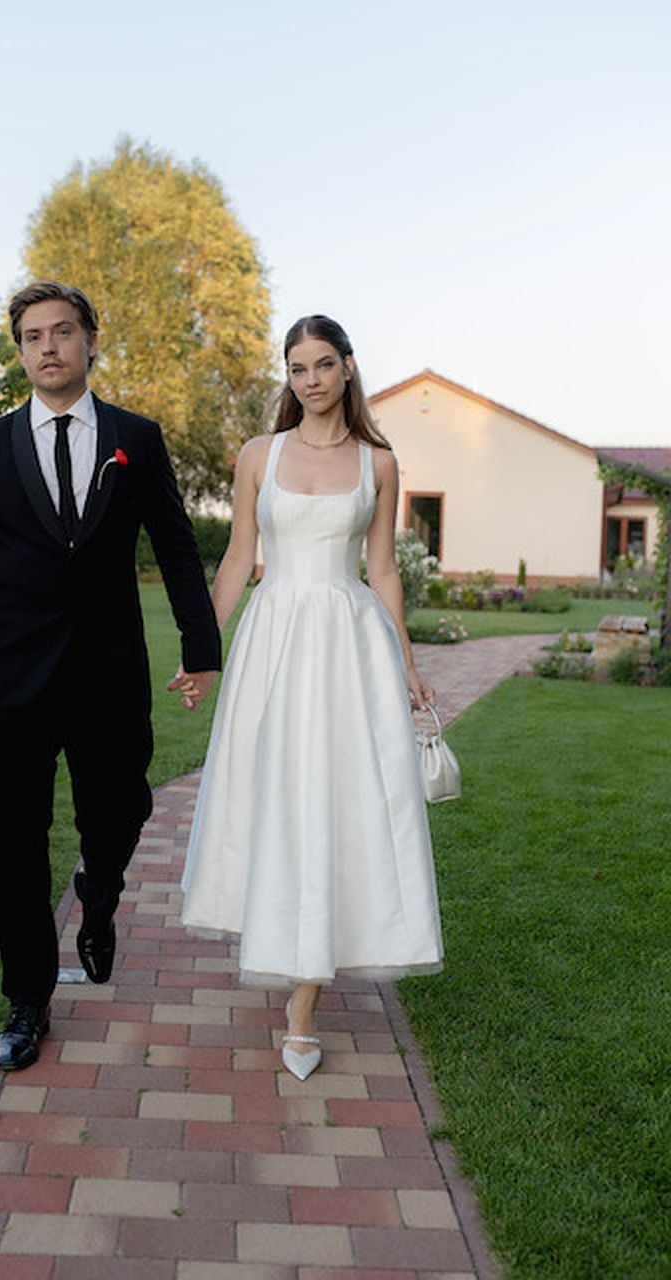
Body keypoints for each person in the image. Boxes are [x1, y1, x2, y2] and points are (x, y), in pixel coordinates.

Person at [0, 280, 220, 1071]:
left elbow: (178, 547)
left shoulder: (138, 438)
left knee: (122, 804)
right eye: (32, 336)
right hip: (13, 677)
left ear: (92, 340)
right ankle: (26, 1001)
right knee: (15, 846)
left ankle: (100, 888)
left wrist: (202, 647)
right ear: (20, 351)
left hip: (108, 673)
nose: (47, 346)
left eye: (62, 332)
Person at [177, 314, 444, 1080]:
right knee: (275, 797)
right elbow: (237, 558)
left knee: (339, 799)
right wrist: (204, 653)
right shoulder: (258, 455)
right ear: (287, 378)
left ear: (348, 369)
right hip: (273, 643)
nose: (312, 380)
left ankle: (303, 1003)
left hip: (349, 646)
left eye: (324, 365)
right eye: (297, 369)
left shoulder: (380, 463)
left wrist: (407, 659)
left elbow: (384, 569)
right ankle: (283, 935)